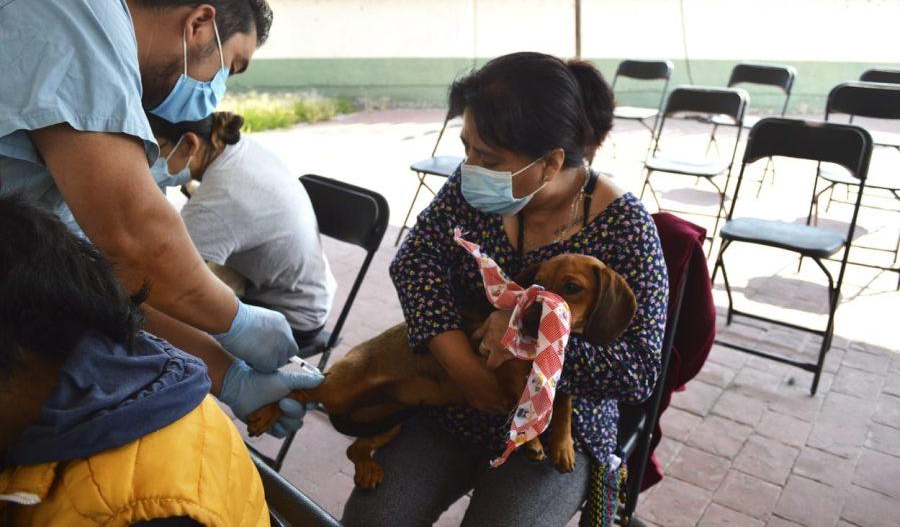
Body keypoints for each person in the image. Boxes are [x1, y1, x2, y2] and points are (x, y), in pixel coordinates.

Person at [342, 53, 669, 526]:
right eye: (468, 148)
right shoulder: (474, 187)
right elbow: (415, 262)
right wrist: (465, 366)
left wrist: (527, 336)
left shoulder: (625, 230)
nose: (469, 166)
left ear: (550, 162)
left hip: (556, 428)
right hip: (452, 399)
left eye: (488, 158)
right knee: (374, 518)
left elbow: (637, 371)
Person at [0, 0, 314, 436]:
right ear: (199, 25)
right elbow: (134, 237)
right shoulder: (77, 0)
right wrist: (237, 319)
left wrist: (225, 372)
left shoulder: (74, 83)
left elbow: (106, 277)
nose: (218, 95)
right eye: (231, 66)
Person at [0, 193, 322, 525]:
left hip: (293, 315)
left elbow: (141, 251)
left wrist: (232, 339)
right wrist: (229, 371)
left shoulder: (148, 509)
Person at [148, 111, 337, 344]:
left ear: (190, 143)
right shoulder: (237, 148)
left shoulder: (216, 202)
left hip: (290, 316)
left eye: (155, 149)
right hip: (311, 292)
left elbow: (164, 275)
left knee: (156, 316)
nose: (149, 161)